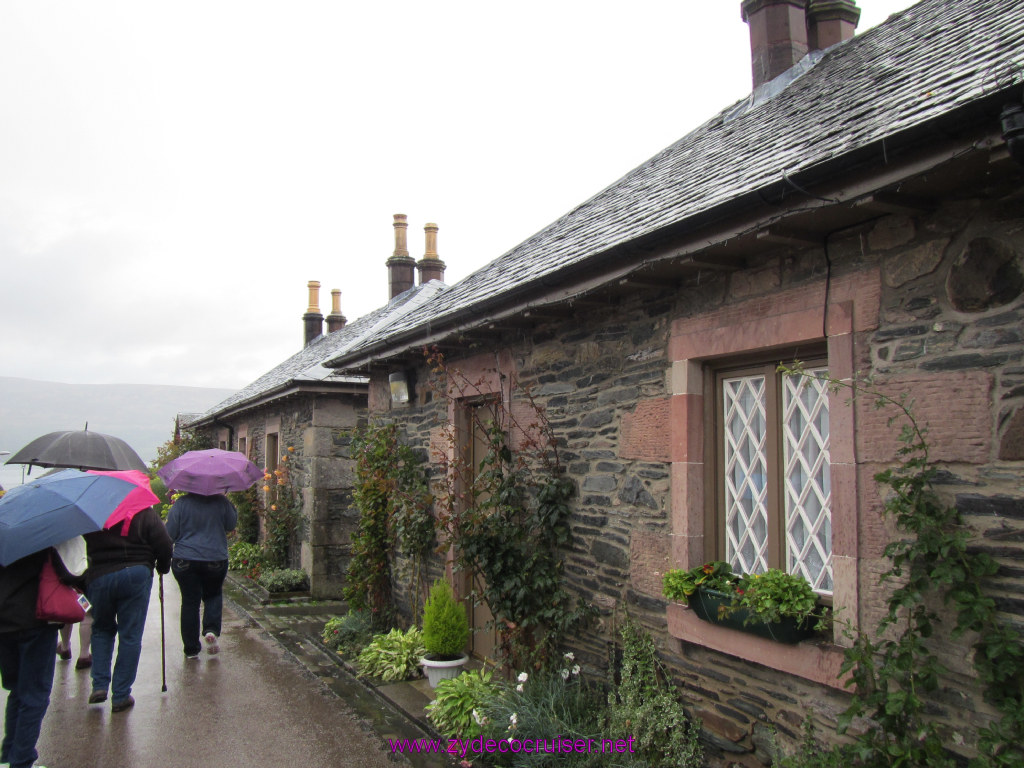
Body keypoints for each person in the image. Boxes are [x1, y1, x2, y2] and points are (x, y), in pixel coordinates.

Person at [83, 505, 172, 712]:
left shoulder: (94, 510)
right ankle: (121, 694)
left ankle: (99, 685)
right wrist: (163, 566)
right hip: (136, 571)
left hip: (100, 574)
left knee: (101, 629)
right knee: (130, 634)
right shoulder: (142, 510)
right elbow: (164, 543)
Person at [0, 549, 60, 768]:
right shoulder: (42, 533)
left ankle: (9, 754)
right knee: (34, 693)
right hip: (36, 617)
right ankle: (22, 760)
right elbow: (69, 571)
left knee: (17, 689)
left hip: (4, 621)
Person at [165, 492, 238, 658]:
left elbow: (170, 533)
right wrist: (228, 505)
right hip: (215, 558)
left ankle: (191, 649)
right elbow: (231, 524)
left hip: (185, 559)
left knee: (190, 602)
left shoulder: (181, 504)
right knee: (213, 595)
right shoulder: (221, 502)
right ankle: (211, 630)